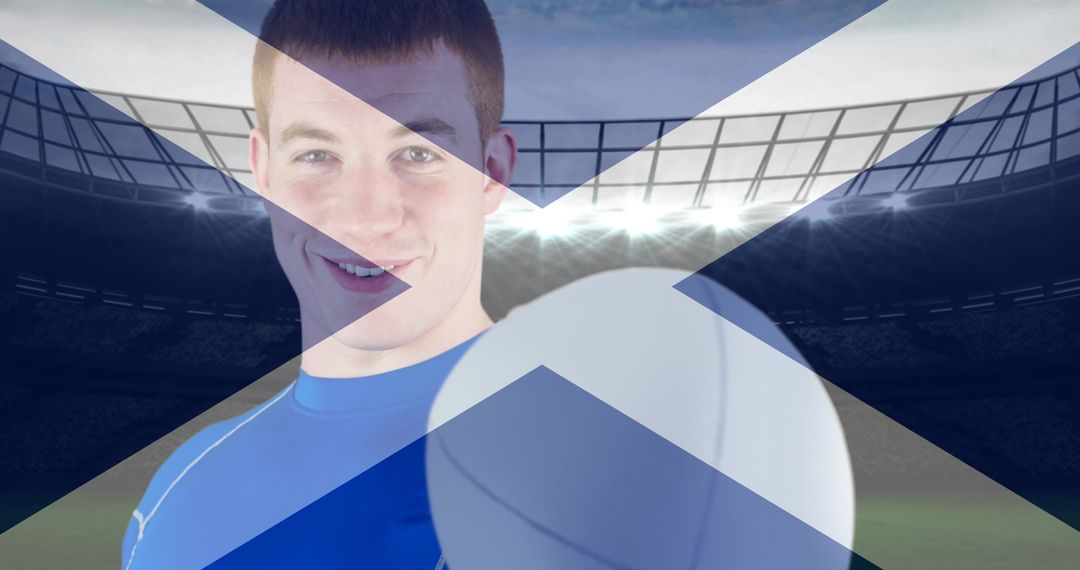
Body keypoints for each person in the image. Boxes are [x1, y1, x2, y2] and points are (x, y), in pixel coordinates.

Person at [121, 1, 515, 568]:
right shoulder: (176, 497)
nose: (365, 219)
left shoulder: (618, 471)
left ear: (492, 173)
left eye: (417, 154)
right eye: (317, 155)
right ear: (263, 169)